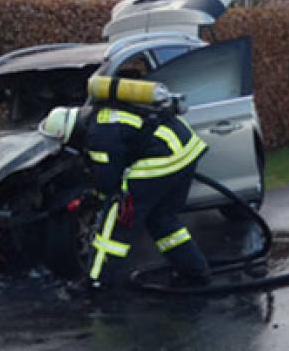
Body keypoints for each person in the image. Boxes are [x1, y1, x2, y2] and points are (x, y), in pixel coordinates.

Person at [39, 83, 211, 287]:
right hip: (186, 149)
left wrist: (101, 199)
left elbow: (109, 183)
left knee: (116, 223)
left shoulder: (98, 135)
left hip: (162, 160)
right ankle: (195, 272)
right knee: (162, 219)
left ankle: (97, 282)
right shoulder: (102, 116)